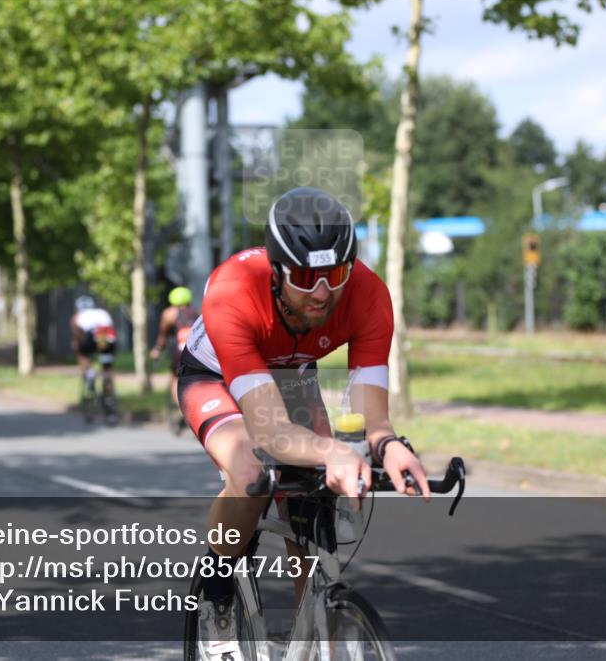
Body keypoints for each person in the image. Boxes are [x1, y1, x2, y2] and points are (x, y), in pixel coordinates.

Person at [177, 187, 431, 660]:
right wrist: (332, 451)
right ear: (277, 271)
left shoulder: (369, 294)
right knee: (251, 473)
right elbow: (270, 432)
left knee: (316, 496)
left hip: (293, 377)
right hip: (216, 377)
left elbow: (374, 416)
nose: (322, 293)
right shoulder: (233, 291)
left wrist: (388, 445)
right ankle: (217, 594)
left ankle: (313, 637)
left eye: (335, 276)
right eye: (306, 277)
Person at [150, 286, 200, 410]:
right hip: (199, 351)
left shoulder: (169, 313)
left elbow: (163, 336)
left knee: (175, 378)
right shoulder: (197, 312)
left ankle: (183, 409)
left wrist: (157, 349)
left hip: (180, 352)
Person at [70, 295, 118, 422]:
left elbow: (77, 339)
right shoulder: (102, 312)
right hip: (106, 335)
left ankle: (89, 373)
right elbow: (111, 328)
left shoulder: (77, 317)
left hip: (91, 336)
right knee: (107, 368)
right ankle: (109, 397)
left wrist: (80, 352)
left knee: (83, 353)